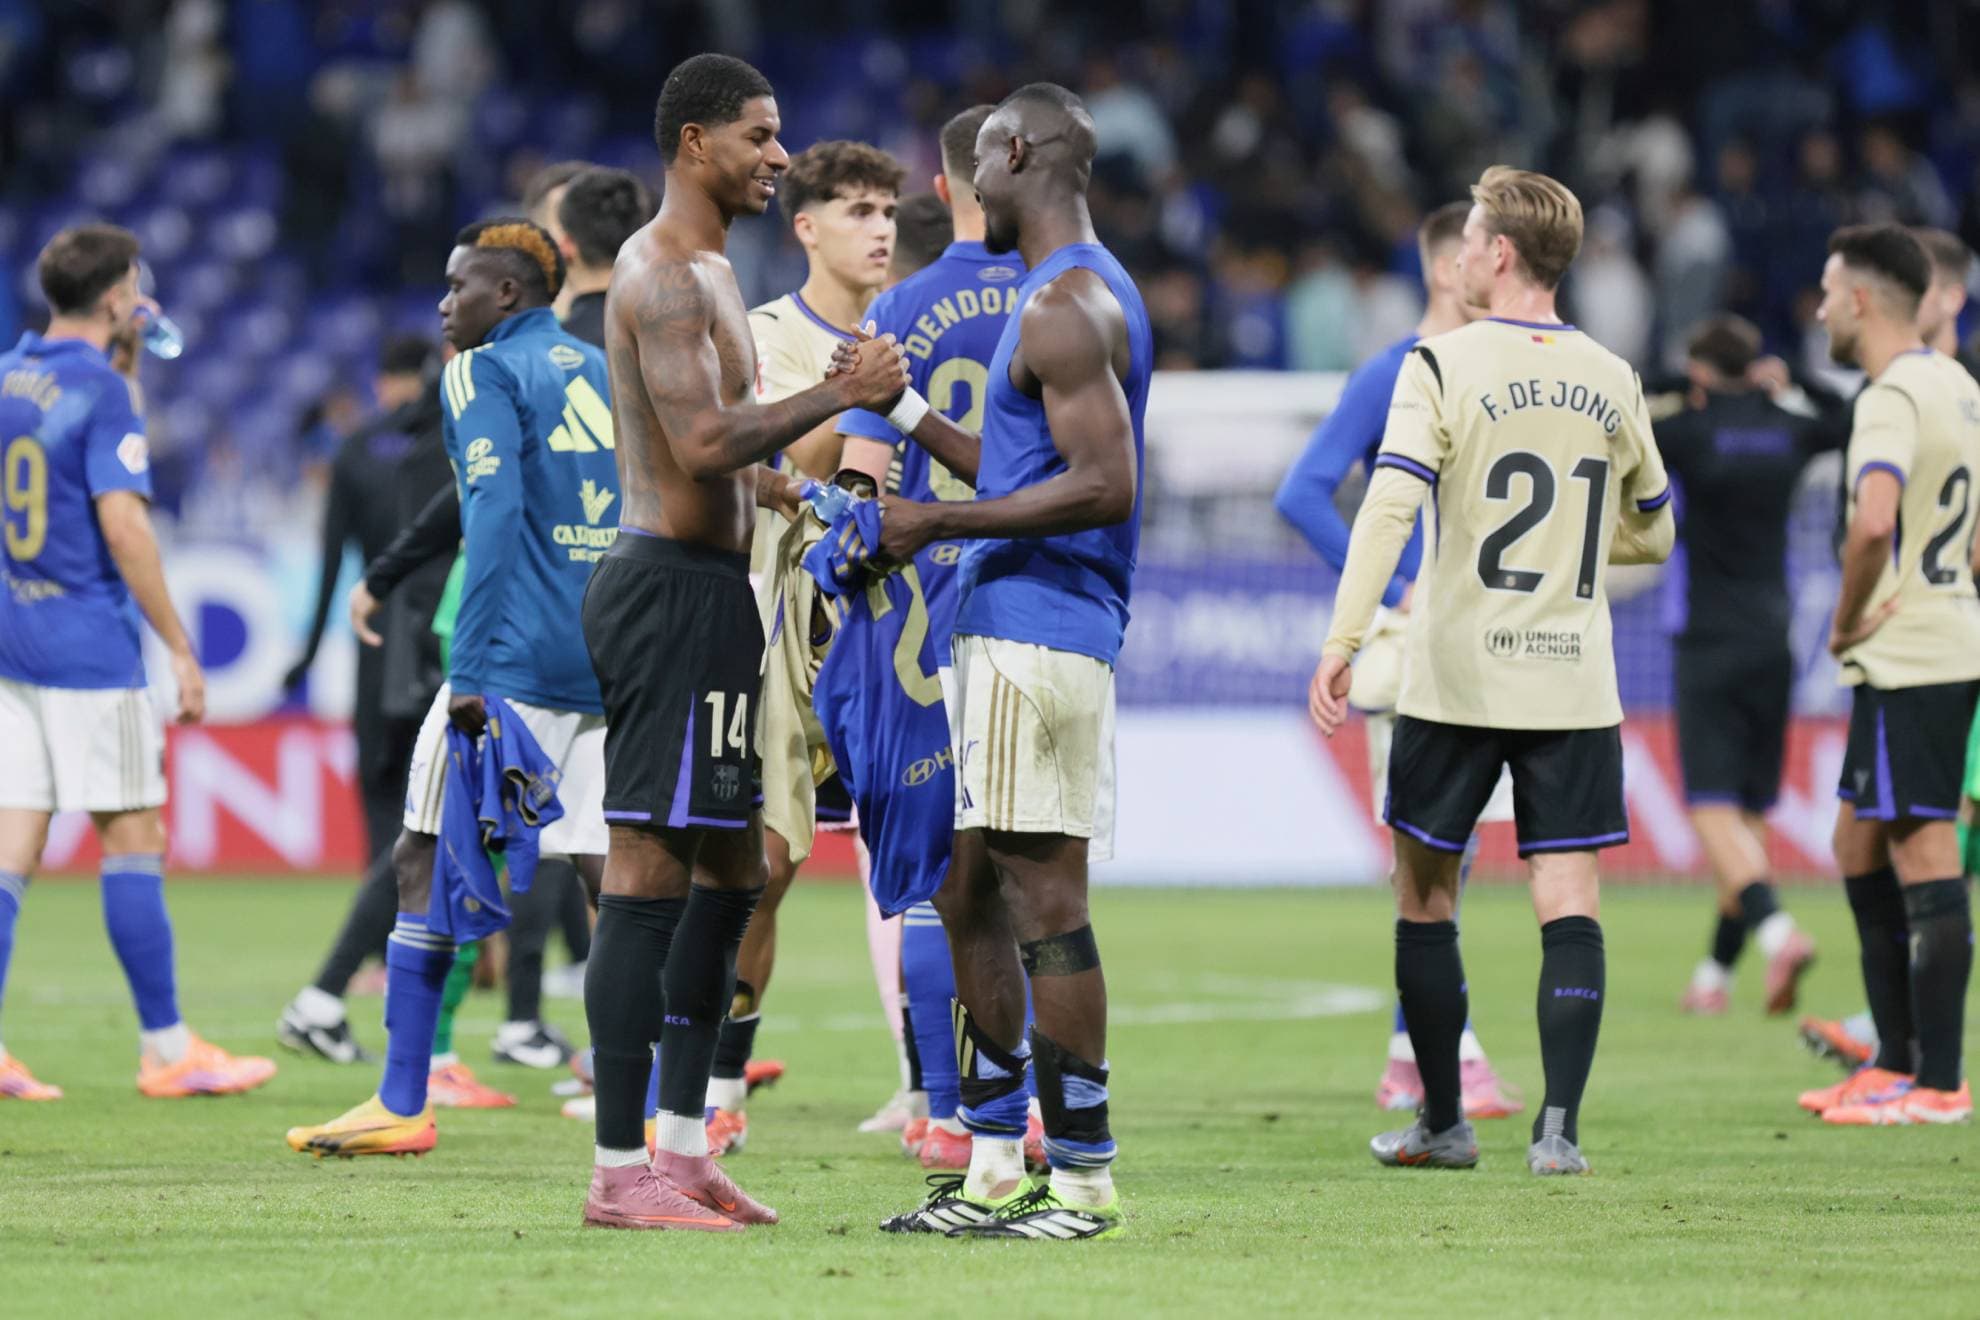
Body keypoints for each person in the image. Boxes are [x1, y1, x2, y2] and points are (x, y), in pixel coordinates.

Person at [575, 51, 907, 1232]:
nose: (778, 155)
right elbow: (701, 438)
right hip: (664, 593)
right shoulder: (664, 274)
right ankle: (619, 1174)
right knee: (648, 872)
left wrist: (787, 490)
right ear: (694, 143)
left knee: (734, 870)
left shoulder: (711, 267)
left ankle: (683, 1147)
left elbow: (721, 458)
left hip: (716, 588)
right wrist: (843, 389)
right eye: (759, 137)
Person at [1310, 167, 1675, 1176]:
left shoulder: (1440, 362)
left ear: (1502, 254)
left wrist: (1342, 641)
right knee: (1570, 893)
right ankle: (1559, 1130)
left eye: (1470, 241)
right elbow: (1656, 529)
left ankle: (1442, 1123)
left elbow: (1387, 512)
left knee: (1425, 894)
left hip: (1459, 672)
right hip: (1570, 676)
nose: (1460, 257)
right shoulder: (1611, 373)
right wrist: (1572, 557)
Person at [864, 83, 1151, 1240]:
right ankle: (990, 1169)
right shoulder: (1068, 290)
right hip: (1017, 624)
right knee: (968, 887)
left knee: (1043, 902)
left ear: (1018, 152)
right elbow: (1031, 460)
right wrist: (918, 421)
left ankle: (1081, 1180)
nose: (968, 184)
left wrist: (928, 523)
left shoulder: (1067, 300)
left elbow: (1103, 486)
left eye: (980, 160)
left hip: (1039, 630)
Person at [284, 217, 619, 1157]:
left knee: (419, 858)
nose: (443, 303)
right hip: (600, 662)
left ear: (504, 294)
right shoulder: (591, 367)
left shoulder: (479, 371)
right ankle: (677, 1106)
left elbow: (494, 518)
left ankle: (401, 1098)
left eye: (458, 284)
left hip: (510, 664)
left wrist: (467, 672)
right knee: (612, 883)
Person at [0, 224, 275, 1100]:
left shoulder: (10, 374)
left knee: (11, 849)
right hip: (87, 646)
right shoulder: (101, 392)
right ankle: (166, 1048)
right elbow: (124, 525)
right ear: (120, 296)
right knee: (134, 838)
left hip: (12, 642)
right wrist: (181, 648)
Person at [1274, 201, 1520, 1120]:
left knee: (1445, 859)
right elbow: (1300, 492)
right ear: (1447, 266)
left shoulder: (1486, 371)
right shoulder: (1396, 372)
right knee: (1425, 860)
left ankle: (1406, 1050)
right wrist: (1396, 585)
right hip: (1408, 646)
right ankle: (1443, 1047)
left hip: (1474, 641)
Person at [836, 104, 1031, 1171]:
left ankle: (945, 1113)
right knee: (1036, 870)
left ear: (940, 184)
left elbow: (861, 492)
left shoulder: (900, 309)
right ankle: (1037, 1107)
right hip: (1037, 604)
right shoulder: (1069, 295)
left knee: (933, 873)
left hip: (921, 621)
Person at [704, 137, 905, 1156]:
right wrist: (851, 389)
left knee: (929, 870)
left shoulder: (922, 324)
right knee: (765, 870)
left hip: (899, 626)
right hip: (784, 624)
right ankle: (725, 1086)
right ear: (809, 226)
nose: (879, 230)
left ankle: (937, 1091)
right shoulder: (763, 334)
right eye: (858, 211)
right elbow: (774, 468)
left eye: (889, 212)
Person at [1794, 225, 1979, 1127]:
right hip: (1942, 638)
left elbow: (1871, 523)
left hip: (1909, 655)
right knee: (1855, 844)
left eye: (1829, 291)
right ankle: (1893, 1064)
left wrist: (1844, 621)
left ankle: (1938, 1083)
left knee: (1923, 854)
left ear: (1862, 300)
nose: (1821, 306)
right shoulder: (1960, 387)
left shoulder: (1891, 393)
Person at [277, 335, 454, 1067]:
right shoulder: (453, 441)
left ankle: (373, 979)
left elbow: (332, 566)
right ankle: (348, 996)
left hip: (376, 656)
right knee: (433, 828)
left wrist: (308, 656)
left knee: (395, 819)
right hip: (443, 645)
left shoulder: (355, 451)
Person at [1658, 314, 1837, 1018]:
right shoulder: (1789, 427)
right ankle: (1715, 976)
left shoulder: (1692, 432)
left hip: (1707, 639)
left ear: (1702, 373)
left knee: (1709, 806)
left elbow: (1620, 410)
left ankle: (1778, 930)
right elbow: (1849, 418)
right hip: (1775, 639)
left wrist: (1684, 385)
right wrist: (1799, 380)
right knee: (1751, 817)